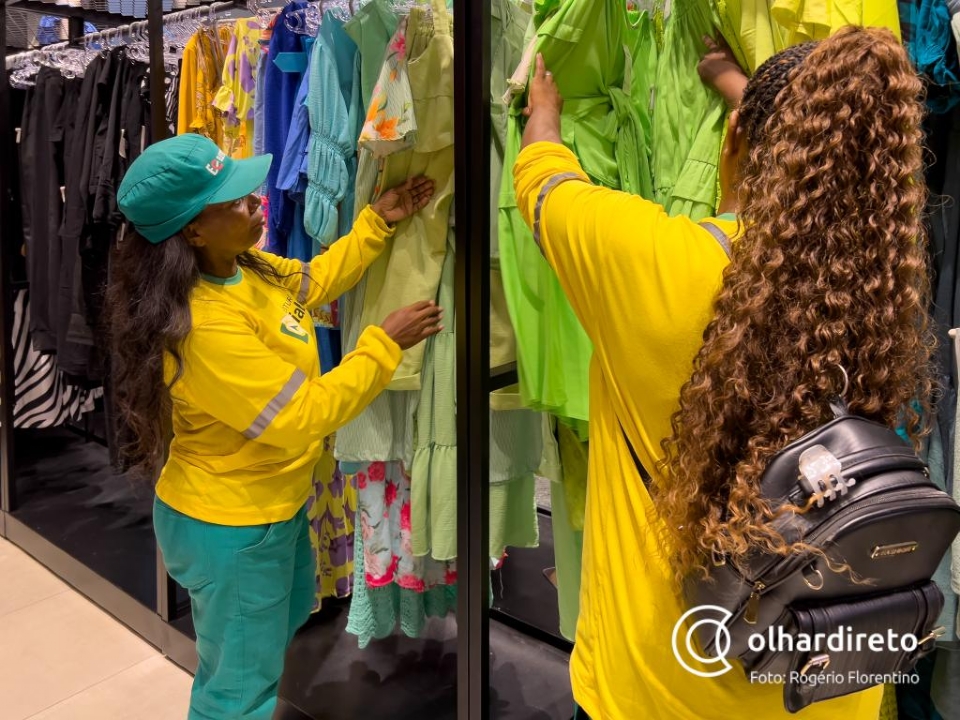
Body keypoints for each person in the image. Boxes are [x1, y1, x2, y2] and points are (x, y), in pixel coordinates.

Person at [517, 27, 932, 720]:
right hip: (823, 687)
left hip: (657, 686)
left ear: (736, 136)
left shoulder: (650, 261)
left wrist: (544, 114)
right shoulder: (883, 298)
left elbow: (544, 181)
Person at [107, 133, 441, 720]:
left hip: (270, 509)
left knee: (272, 635)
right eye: (235, 200)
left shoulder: (242, 269)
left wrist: (376, 223)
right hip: (231, 527)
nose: (256, 200)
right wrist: (382, 346)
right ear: (192, 230)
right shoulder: (203, 327)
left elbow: (309, 286)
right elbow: (301, 415)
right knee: (237, 693)